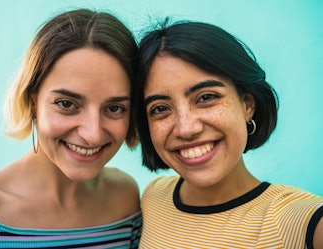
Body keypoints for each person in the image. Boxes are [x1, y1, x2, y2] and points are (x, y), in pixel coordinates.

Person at [0, 9, 141, 248]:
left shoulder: (125, 197)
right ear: (32, 102)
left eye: (114, 108)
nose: (92, 134)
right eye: (67, 104)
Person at [134, 20, 323, 248]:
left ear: (247, 105)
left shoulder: (300, 220)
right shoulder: (153, 197)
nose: (186, 128)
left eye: (206, 97)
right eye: (160, 109)